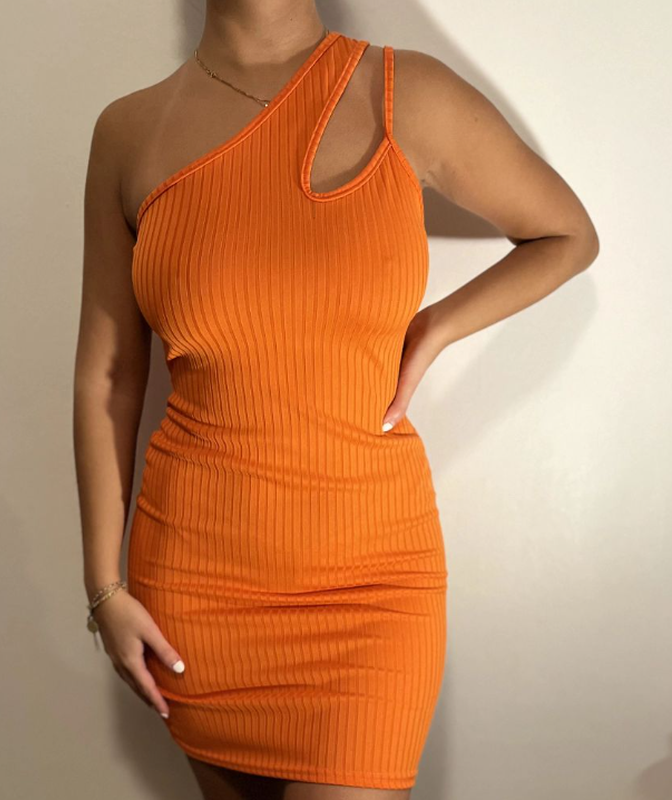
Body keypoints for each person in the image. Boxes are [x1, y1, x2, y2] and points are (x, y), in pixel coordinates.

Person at [73, 2, 599, 798]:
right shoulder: (128, 131)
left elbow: (565, 234)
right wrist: (103, 588)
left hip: (370, 591)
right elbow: (110, 374)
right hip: (196, 588)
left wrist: (435, 327)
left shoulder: (404, 94)